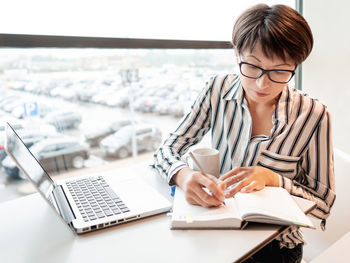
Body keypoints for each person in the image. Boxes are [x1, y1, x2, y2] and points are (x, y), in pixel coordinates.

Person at [152, 3, 335, 263]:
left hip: (276, 247)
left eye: (280, 71)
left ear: (296, 66)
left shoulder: (314, 115)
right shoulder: (217, 90)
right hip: (217, 229)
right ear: (237, 54)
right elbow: (167, 149)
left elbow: (323, 203)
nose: (263, 83)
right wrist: (183, 176)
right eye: (252, 66)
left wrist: (274, 179)